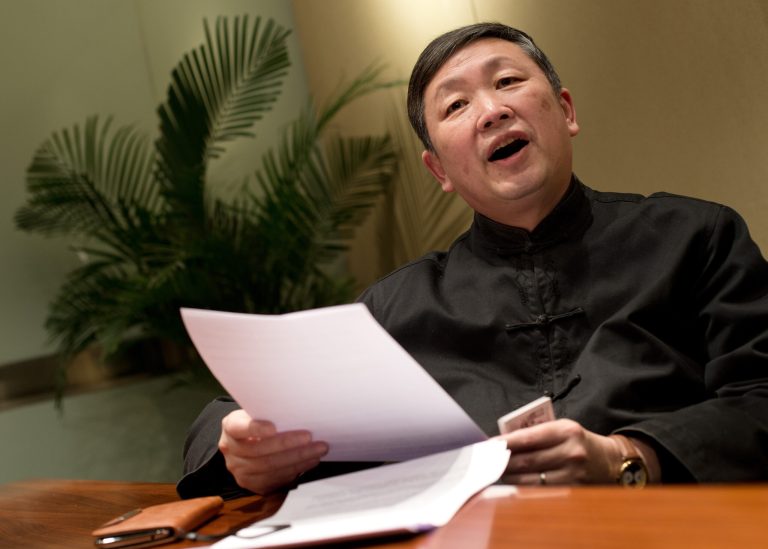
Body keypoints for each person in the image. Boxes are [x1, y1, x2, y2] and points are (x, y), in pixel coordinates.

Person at [177, 22, 768, 498]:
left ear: (565, 111)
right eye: (456, 105)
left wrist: (629, 458)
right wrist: (243, 452)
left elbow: (759, 396)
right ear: (439, 170)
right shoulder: (395, 306)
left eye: (508, 81)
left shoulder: (695, 236)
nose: (490, 111)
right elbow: (234, 411)